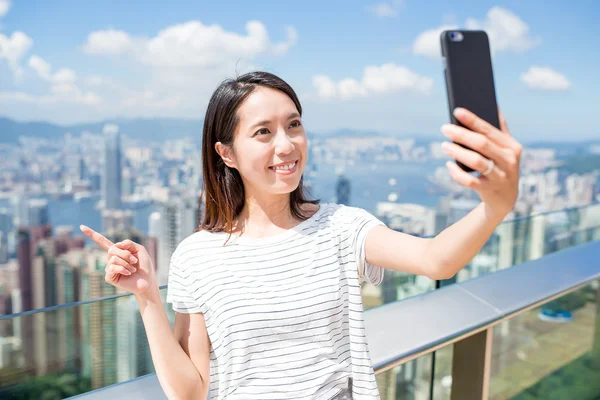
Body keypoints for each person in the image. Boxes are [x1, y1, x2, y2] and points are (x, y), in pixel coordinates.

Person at [81, 71, 522, 399]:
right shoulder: (197, 256)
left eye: (293, 125)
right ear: (226, 153)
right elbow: (191, 391)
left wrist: (496, 205)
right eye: (263, 132)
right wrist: (146, 296)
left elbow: (436, 259)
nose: (286, 144)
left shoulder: (341, 228)